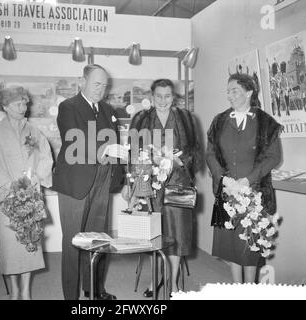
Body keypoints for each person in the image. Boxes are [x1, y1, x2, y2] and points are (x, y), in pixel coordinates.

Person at [52, 64, 127, 300]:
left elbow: (114, 145)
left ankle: (94, 290)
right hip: (75, 183)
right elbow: (74, 139)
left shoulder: (108, 109)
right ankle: (71, 297)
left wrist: (121, 176)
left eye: (104, 86)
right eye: (96, 84)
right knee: (73, 242)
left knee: (97, 240)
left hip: (102, 181)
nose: (100, 90)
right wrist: (105, 149)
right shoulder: (68, 107)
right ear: (81, 81)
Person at [126, 79, 200, 296]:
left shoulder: (185, 118)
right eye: (159, 96)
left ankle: (173, 282)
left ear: (173, 97)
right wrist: (132, 185)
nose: (163, 101)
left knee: (177, 235)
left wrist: (177, 160)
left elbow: (193, 150)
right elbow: (133, 152)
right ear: (152, 96)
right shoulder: (140, 118)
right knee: (153, 235)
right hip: (148, 184)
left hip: (178, 182)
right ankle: (154, 279)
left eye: (167, 96)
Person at [206, 73, 282, 283]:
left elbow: (273, 157)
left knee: (250, 247)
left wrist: (249, 179)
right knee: (230, 247)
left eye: (235, 91)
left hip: (254, 194)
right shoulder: (219, 121)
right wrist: (223, 179)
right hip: (226, 192)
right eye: (228, 91)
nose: (229, 95)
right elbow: (210, 153)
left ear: (249, 92)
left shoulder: (266, 122)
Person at [0, 87, 53, 299]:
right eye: (17, 104)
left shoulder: (34, 131)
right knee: (11, 248)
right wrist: (10, 187)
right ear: (4, 106)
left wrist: (37, 177)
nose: (23, 108)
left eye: (24, 103)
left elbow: (46, 157)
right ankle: (14, 292)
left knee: (31, 243)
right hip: (8, 199)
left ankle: (26, 291)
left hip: (31, 197)